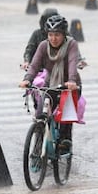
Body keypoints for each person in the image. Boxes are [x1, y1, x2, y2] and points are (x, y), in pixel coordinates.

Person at [19, 14, 82, 153]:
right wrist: (27, 79)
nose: (53, 39)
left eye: (57, 35)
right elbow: (34, 65)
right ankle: (39, 144)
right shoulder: (43, 46)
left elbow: (72, 63)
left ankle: (65, 143)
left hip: (69, 85)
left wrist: (71, 81)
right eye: (51, 35)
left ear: (64, 34)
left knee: (65, 114)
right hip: (50, 84)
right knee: (41, 112)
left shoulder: (71, 44)